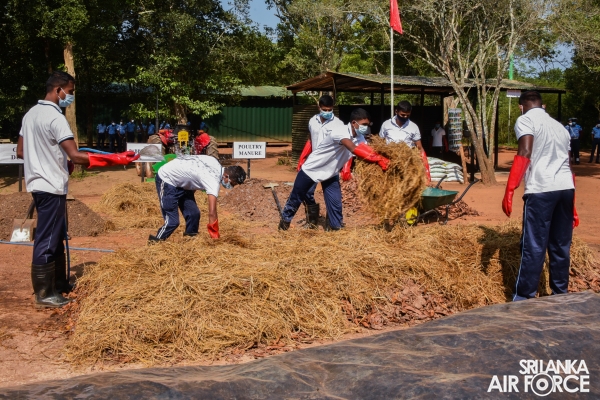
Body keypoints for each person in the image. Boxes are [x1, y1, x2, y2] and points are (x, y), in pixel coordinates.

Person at [16, 71, 139, 308]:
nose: (70, 97)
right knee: (47, 238)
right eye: (70, 92)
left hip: (39, 183)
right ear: (58, 90)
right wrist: (116, 159)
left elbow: (22, 152)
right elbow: (76, 155)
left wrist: (54, 160)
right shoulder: (55, 117)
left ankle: (59, 284)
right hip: (51, 185)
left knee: (57, 234)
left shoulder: (30, 114)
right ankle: (43, 294)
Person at [502, 91, 579, 301]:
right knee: (560, 244)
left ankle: (523, 297)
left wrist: (510, 188)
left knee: (533, 245)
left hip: (541, 189)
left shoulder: (525, 119)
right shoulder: (560, 127)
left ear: (521, 106)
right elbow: (568, 163)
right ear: (542, 105)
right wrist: (573, 205)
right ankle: (560, 294)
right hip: (565, 188)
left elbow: (525, 151)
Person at [280, 108, 389, 231]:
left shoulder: (360, 138)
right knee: (295, 199)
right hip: (312, 170)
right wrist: (379, 159)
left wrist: (383, 158)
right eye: (364, 125)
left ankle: (335, 228)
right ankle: (284, 226)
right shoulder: (340, 131)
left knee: (335, 203)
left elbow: (367, 151)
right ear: (354, 123)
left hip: (331, 173)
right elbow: (354, 149)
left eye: (367, 125)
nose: (366, 127)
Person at [149, 156, 246, 242]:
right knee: (173, 221)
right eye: (232, 183)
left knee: (193, 214)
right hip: (167, 178)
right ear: (226, 176)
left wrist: (186, 200)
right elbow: (212, 212)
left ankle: (190, 242)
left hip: (182, 183)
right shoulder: (213, 181)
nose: (231, 186)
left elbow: (194, 176)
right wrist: (215, 237)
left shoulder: (214, 162)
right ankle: (155, 244)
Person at [296, 95, 344, 228]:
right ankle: (312, 220)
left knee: (333, 197)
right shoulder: (312, 121)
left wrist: (345, 166)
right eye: (325, 110)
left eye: (330, 110)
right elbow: (311, 140)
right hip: (314, 164)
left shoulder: (338, 124)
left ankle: (332, 224)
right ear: (319, 107)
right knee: (305, 191)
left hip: (330, 165)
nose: (328, 112)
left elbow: (344, 145)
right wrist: (302, 159)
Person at [379, 100, 431, 181]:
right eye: (402, 115)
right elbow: (380, 143)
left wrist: (426, 171)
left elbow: (419, 148)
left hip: (407, 163)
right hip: (389, 162)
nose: (405, 117)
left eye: (407, 115)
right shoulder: (386, 124)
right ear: (396, 111)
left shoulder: (413, 127)